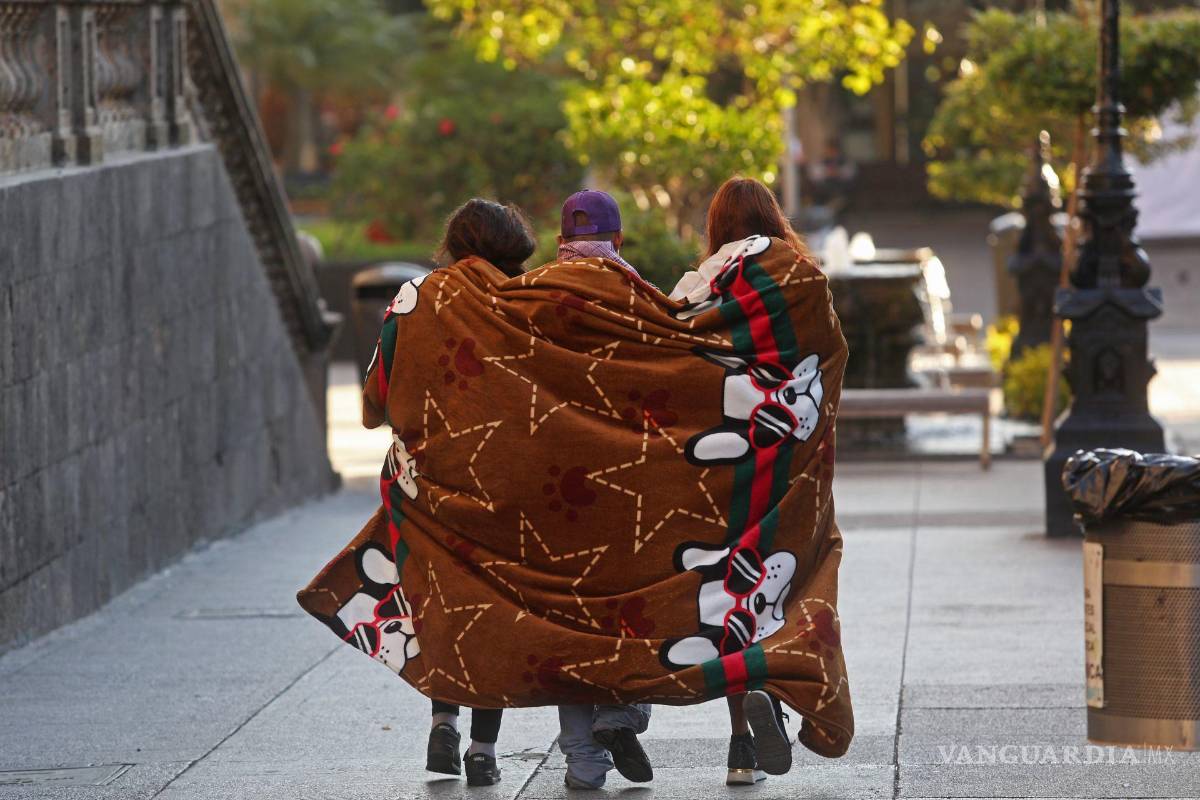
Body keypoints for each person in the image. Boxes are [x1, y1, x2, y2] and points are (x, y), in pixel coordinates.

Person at [417, 198, 538, 787]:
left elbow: (377, 393)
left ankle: (443, 720)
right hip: (507, 481)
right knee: (497, 613)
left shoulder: (415, 300)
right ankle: (484, 750)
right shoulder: (526, 303)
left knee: (445, 604)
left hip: (433, 480)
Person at [697, 176, 810, 785]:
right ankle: (778, 694)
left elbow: (681, 363)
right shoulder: (802, 277)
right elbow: (829, 356)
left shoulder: (704, 282)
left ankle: (741, 742)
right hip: (790, 464)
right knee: (789, 585)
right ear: (774, 217)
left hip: (725, 466)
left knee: (732, 596)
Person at [548, 189, 655, 790]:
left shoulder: (528, 295)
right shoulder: (641, 296)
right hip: (626, 485)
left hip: (553, 489)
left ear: (560, 241)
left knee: (568, 620)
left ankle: (582, 764)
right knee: (633, 608)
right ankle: (622, 711)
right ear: (617, 239)